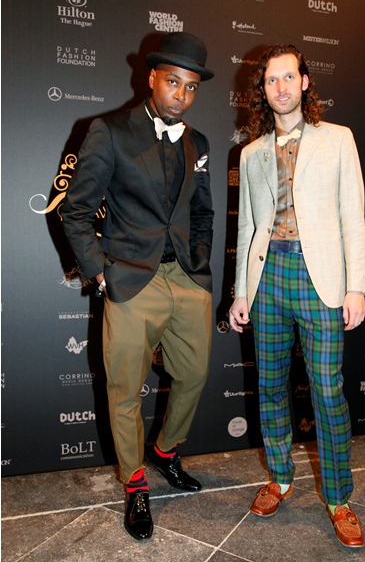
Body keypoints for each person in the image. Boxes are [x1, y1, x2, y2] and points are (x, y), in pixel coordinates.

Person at [62, 32, 214, 541]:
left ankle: (165, 451)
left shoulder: (199, 142)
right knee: (125, 390)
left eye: (191, 87)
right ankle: (134, 483)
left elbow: (203, 213)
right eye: (173, 82)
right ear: (152, 78)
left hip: (185, 278)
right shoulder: (109, 131)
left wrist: (199, 266)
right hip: (129, 278)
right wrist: (100, 272)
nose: (181, 95)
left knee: (194, 374)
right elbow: (76, 211)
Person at [229, 44, 365, 548]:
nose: (281, 87)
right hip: (268, 277)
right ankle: (280, 478)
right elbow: (247, 227)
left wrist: (356, 286)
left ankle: (339, 498)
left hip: (320, 278)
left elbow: (353, 215)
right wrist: (241, 292)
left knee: (327, 392)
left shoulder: (338, 139)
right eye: (271, 80)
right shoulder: (251, 153)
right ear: (263, 90)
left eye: (289, 77)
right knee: (269, 386)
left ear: (304, 82)